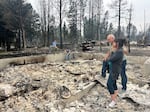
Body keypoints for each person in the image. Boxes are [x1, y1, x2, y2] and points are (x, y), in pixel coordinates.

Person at [106, 39, 124, 108]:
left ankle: (113, 101)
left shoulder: (119, 52)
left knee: (109, 84)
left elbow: (111, 59)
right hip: (114, 69)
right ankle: (115, 98)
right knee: (114, 83)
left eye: (114, 43)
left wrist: (109, 56)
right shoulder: (118, 51)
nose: (113, 43)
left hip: (115, 71)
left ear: (118, 44)